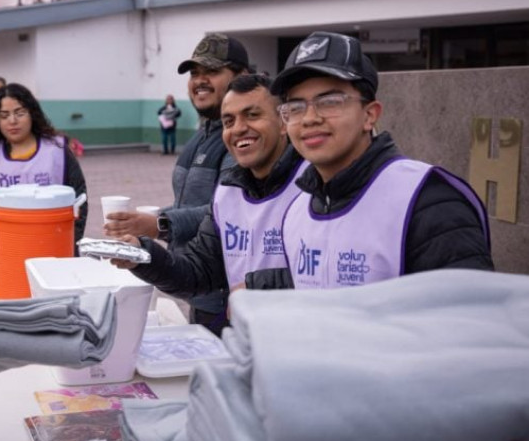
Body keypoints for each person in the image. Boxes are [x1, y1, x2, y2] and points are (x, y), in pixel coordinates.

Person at [249, 31, 493, 289]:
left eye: (330, 101)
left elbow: (465, 318)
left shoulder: (427, 200)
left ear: (370, 115)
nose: (310, 118)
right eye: (296, 107)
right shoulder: (298, 210)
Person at [111, 75, 307, 321]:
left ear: (282, 122)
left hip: (304, 345)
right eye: (229, 121)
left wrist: (258, 288)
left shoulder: (312, 185)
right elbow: (197, 272)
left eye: (253, 115)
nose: (238, 128)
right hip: (249, 343)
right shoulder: (228, 192)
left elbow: (327, 280)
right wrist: (142, 255)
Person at [104, 33, 250, 333]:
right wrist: (144, 222)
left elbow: (227, 211)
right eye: (195, 73)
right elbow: (192, 206)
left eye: (212, 71)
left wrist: (159, 223)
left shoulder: (243, 140)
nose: (200, 80)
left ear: (242, 77)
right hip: (196, 287)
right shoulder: (203, 134)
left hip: (229, 297)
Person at [0, 83, 88, 298]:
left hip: (54, 259)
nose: (12, 121)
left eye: (19, 113)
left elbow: (80, 202)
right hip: (8, 259)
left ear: (32, 113)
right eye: (4, 115)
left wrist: (68, 248)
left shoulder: (57, 151)